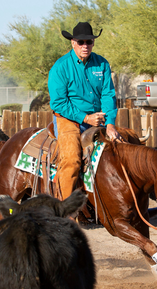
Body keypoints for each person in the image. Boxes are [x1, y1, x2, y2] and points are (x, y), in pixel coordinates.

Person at [48, 22, 123, 200]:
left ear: (93, 43)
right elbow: (58, 103)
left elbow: (108, 95)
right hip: (69, 120)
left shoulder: (102, 64)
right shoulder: (60, 67)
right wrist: (85, 118)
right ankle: (64, 209)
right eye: (81, 42)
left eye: (88, 42)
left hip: (98, 118)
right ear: (72, 42)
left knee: (121, 150)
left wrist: (111, 123)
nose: (85, 46)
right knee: (72, 161)